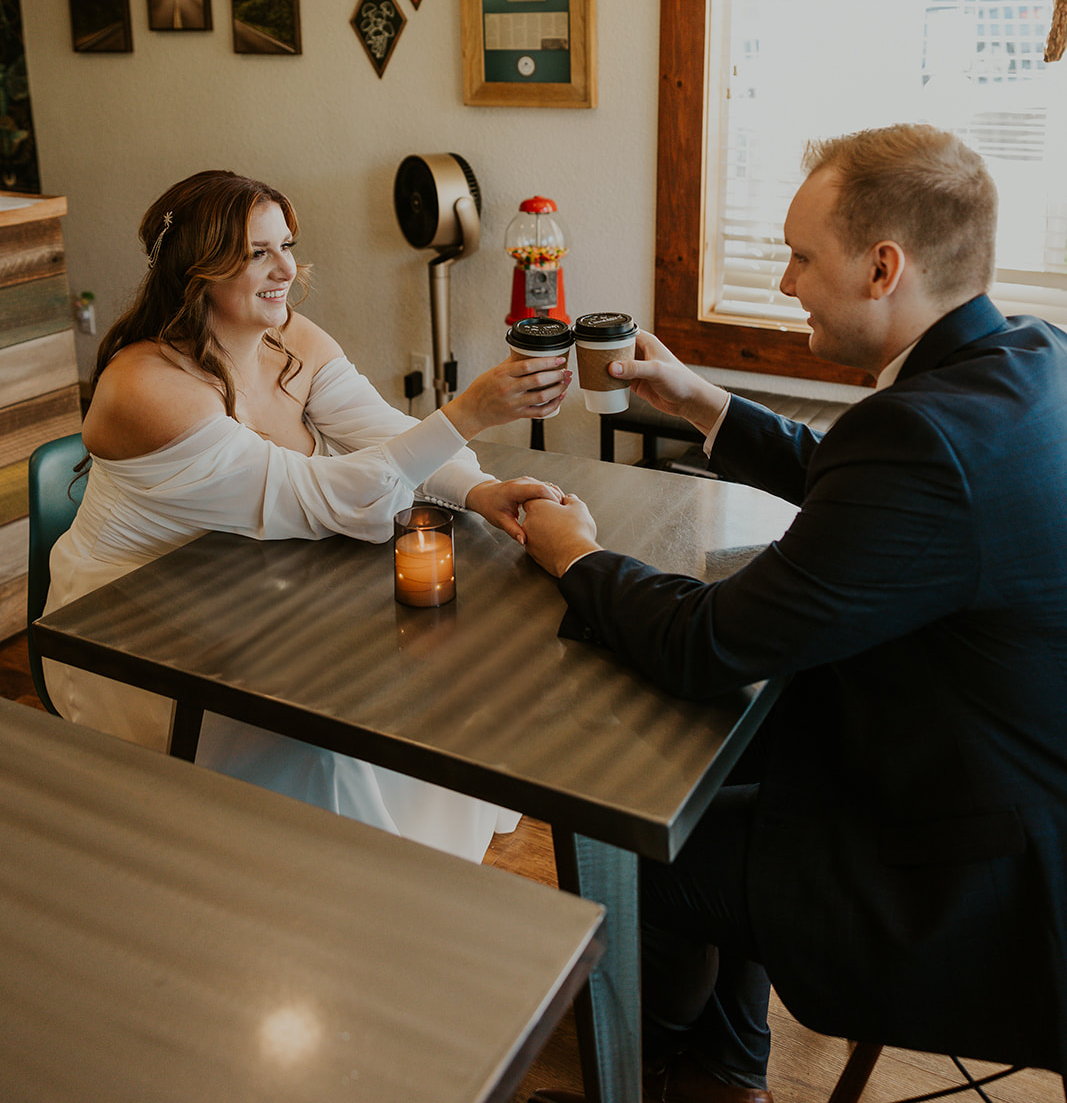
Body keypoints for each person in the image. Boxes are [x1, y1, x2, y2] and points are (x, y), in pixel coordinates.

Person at [522, 123, 1067, 1103]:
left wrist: (577, 556)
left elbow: (707, 643)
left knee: (639, 853)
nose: (783, 283)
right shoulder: (1026, 354)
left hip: (984, 881)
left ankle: (647, 1079)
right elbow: (852, 484)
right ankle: (726, 1069)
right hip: (1011, 780)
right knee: (737, 791)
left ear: (880, 266)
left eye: (800, 257)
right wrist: (696, 398)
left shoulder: (917, 438)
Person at [45, 168, 570, 863]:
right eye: (257, 252)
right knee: (335, 751)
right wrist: (467, 412)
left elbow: (384, 434)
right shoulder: (148, 388)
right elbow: (323, 500)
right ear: (197, 269)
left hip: (251, 590)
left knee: (432, 682)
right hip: (133, 629)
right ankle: (348, 897)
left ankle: (434, 885)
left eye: (286, 245)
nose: (286, 268)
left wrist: (476, 490)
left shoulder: (289, 341)